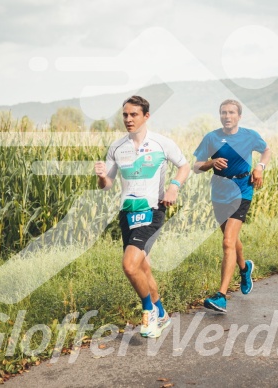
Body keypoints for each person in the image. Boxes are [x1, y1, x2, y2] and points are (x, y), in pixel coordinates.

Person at [95, 95, 190, 337]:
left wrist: (173, 187)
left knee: (129, 266)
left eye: (133, 114)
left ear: (146, 116)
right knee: (142, 267)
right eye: (125, 114)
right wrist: (101, 176)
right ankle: (163, 313)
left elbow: (184, 165)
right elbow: (107, 185)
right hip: (127, 214)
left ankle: (149, 314)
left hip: (152, 211)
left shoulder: (161, 143)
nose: (128, 119)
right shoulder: (117, 147)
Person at [193, 99, 271, 313]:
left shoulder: (250, 135)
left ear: (239, 116)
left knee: (227, 242)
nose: (227, 116)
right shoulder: (211, 137)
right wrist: (210, 163)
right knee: (232, 239)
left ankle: (221, 296)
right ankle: (245, 269)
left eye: (231, 113)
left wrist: (260, 167)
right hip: (219, 192)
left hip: (243, 189)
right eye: (223, 113)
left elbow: (266, 150)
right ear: (220, 116)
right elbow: (196, 166)